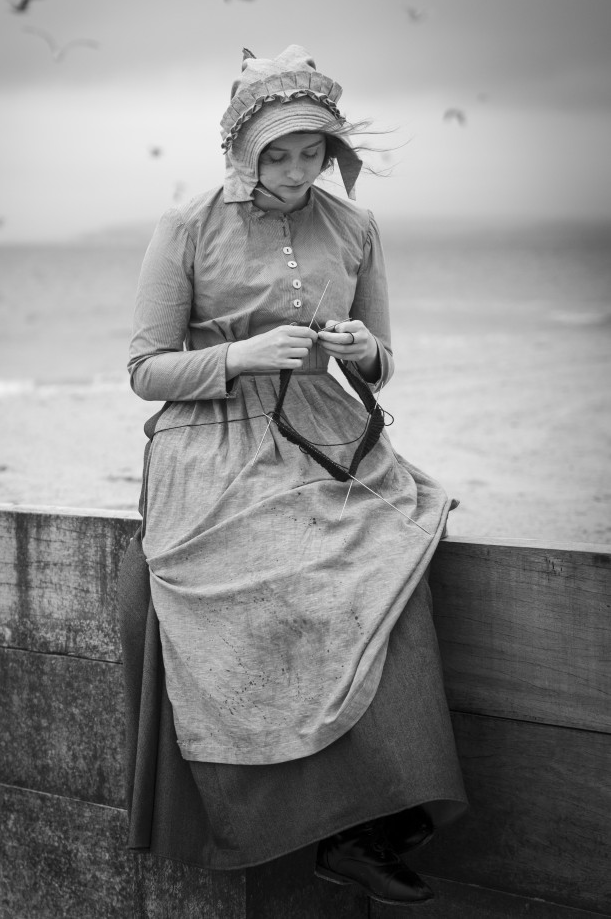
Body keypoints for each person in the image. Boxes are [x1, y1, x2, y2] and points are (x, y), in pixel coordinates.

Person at [118, 44, 467, 907]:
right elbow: (144, 369)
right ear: (241, 148)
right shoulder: (187, 226)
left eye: (312, 153)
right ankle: (304, 823)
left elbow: (384, 365)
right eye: (278, 154)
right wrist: (240, 355)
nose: (295, 171)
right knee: (280, 585)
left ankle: (372, 819)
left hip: (331, 436)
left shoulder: (357, 226)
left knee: (390, 573)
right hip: (214, 438)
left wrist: (364, 350)